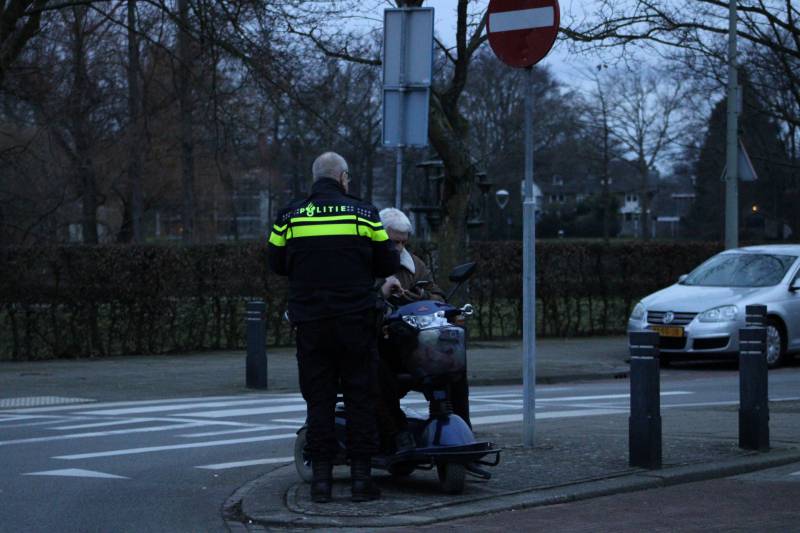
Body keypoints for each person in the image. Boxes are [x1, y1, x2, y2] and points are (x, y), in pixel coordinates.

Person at [268, 152, 399, 503]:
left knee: (319, 400)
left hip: (311, 323)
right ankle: (360, 481)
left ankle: (321, 483)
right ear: (342, 178)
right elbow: (387, 262)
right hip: (355, 321)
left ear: (315, 179)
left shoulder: (289, 216)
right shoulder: (364, 213)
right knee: (360, 397)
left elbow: (276, 263)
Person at [376, 208, 472, 453]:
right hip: (384, 341)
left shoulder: (414, 264)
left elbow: (437, 294)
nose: (399, 248)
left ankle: (461, 430)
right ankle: (397, 432)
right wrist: (382, 291)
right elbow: (359, 300)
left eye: (403, 242)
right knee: (377, 371)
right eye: (393, 242)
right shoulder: (368, 264)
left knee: (454, 366)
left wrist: (418, 295)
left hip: (414, 342)